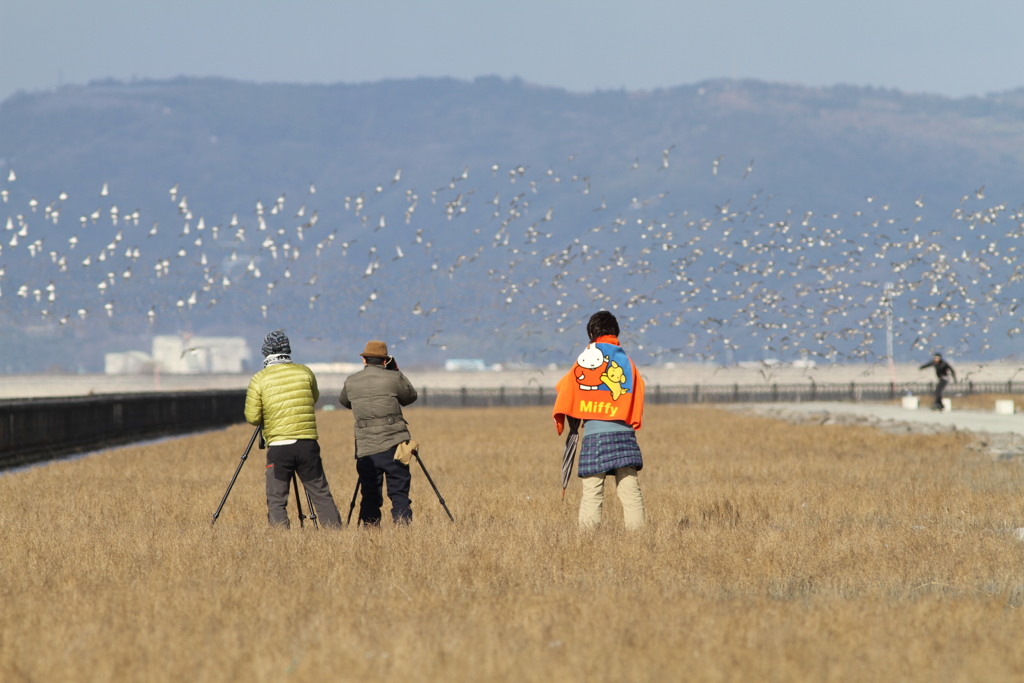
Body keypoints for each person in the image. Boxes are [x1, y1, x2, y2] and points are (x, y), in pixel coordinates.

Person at [553, 310, 647, 530]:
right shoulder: (626, 360)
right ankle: (640, 541)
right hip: (624, 434)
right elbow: (639, 388)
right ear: (616, 331)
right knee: (630, 491)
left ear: (591, 332)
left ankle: (587, 542)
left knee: (592, 492)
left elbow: (565, 387)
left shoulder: (585, 358)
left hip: (595, 435)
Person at [244, 329, 343, 528]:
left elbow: (253, 417)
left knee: (277, 498)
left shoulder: (259, 379)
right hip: (307, 443)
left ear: (265, 352)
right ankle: (336, 536)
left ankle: (281, 542)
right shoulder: (305, 372)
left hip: (279, 445)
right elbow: (313, 398)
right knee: (321, 493)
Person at [339, 340, 418, 525]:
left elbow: (345, 402)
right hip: (394, 443)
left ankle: (370, 530)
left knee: (370, 493)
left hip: (366, 447)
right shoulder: (393, 377)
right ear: (385, 361)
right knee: (399, 491)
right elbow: (410, 397)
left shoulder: (351, 381)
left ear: (364, 360)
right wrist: (396, 370)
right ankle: (402, 530)